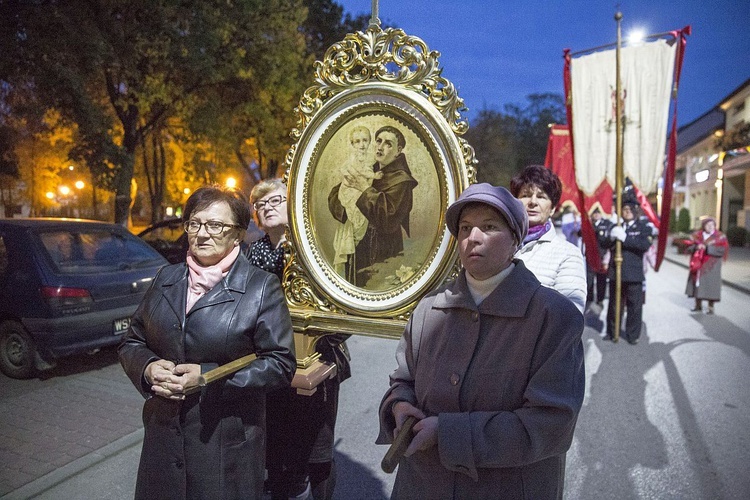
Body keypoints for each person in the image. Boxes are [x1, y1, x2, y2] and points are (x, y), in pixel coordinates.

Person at [376, 183, 585, 499]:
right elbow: (402, 380)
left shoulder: (554, 318)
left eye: (488, 227)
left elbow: (550, 424)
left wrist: (448, 434)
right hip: (424, 486)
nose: (473, 237)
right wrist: (400, 405)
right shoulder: (428, 309)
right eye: (464, 228)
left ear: (515, 239)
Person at [119, 184, 296, 499]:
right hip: (163, 438)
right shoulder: (166, 279)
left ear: (238, 233)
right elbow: (132, 341)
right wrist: (147, 368)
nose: (202, 234)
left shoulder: (260, 288)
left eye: (216, 225)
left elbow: (280, 364)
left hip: (224, 445)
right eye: (194, 223)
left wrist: (208, 377)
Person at [248, 179, 351, 500]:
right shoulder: (252, 254)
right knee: (277, 454)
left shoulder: (315, 247)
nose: (268, 207)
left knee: (316, 455)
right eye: (260, 204)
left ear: (292, 203)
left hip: (316, 365)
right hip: (271, 367)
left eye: (275, 200)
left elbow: (343, 309)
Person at [328, 125, 418, 286]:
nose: (381, 147)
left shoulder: (402, 181)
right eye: (378, 141)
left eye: (388, 144)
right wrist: (347, 212)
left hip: (382, 251)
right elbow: (335, 195)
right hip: (357, 246)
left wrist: (364, 189)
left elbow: (388, 217)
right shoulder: (367, 167)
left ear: (398, 151)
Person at [509, 164, 587, 313]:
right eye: (525, 195)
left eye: (541, 196)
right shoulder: (497, 244)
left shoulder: (568, 254)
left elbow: (570, 313)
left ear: (552, 209)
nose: (532, 202)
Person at [331, 126, 383, 281]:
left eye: (365, 140)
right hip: (349, 193)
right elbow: (356, 173)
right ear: (352, 144)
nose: (361, 144)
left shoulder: (369, 159)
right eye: (357, 141)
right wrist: (373, 175)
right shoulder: (356, 159)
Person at [604, 197, 653, 344]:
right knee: (614, 305)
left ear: (636, 211)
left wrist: (625, 238)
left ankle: (633, 335)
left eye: (631, 210)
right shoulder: (615, 227)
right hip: (616, 272)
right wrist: (611, 237)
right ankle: (613, 332)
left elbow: (644, 245)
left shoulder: (644, 228)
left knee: (634, 307)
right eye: (625, 210)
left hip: (633, 274)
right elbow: (603, 244)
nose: (628, 212)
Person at [685, 216, 728, 314]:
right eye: (708, 225)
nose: (710, 227)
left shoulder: (720, 237)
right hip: (698, 265)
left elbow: (722, 250)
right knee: (697, 284)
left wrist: (707, 248)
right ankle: (698, 305)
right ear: (703, 226)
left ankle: (711, 307)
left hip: (712, 266)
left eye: (712, 225)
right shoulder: (697, 236)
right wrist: (696, 247)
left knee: (711, 286)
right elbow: (689, 247)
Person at [588, 207, 613, 307]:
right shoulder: (588, 224)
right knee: (589, 279)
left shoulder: (607, 224)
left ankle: (600, 299)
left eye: (598, 212)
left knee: (601, 280)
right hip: (590, 256)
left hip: (601, 256)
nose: (596, 214)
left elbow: (608, 241)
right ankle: (589, 298)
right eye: (594, 212)